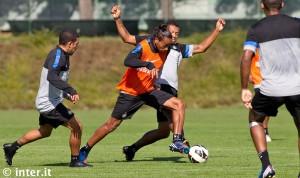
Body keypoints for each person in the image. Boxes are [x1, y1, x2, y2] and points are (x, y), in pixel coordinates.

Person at [110, 4, 225, 161]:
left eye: (177, 33)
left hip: (170, 91)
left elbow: (201, 47)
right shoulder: (151, 41)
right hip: (157, 89)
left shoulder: (178, 48)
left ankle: (132, 148)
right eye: (171, 32)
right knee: (174, 127)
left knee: (163, 131)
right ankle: (190, 151)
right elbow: (127, 38)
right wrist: (117, 19)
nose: (174, 35)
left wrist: (217, 30)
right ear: (163, 33)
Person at [79, 24, 190, 164]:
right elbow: (128, 60)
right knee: (111, 125)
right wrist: (147, 64)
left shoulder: (168, 47)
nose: (165, 49)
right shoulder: (144, 45)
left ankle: (177, 141)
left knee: (178, 104)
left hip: (149, 91)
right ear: (157, 39)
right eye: (163, 46)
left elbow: (197, 48)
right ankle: (85, 149)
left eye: (167, 46)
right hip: (131, 93)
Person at [3, 29, 89, 167]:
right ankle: (75, 160)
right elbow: (52, 77)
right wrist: (71, 89)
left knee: (44, 132)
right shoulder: (57, 55)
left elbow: (55, 82)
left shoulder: (63, 55)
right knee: (77, 127)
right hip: (49, 104)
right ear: (69, 43)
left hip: (48, 102)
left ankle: (12, 147)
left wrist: (67, 95)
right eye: (76, 44)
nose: (77, 47)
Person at [240, 0, 300, 177]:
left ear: (261, 5)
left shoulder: (256, 29)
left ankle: (266, 165)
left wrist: (244, 88)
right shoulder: (297, 24)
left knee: (255, 120)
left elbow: (246, 57)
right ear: (282, 4)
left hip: (270, 89)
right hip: (298, 87)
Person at [250, 52, 272, 142]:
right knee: (260, 107)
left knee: (269, 107)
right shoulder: (253, 48)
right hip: (258, 81)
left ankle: (264, 129)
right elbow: (246, 59)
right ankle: (262, 131)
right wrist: (248, 74)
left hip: (270, 81)